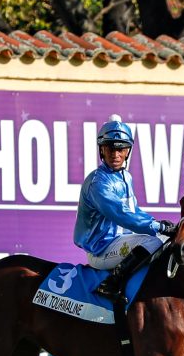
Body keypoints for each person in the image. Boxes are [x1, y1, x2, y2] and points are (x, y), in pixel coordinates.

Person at [74, 114, 176, 305]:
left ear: (128, 150)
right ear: (101, 150)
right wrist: (158, 226)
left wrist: (160, 226)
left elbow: (133, 211)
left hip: (119, 242)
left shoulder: (125, 177)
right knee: (153, 243)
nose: (116, 154)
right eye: (110, 148)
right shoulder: (98, 183)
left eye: (121, 148)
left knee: (168, 241)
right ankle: (111, 284)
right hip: (101, 249)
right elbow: (123, 216)